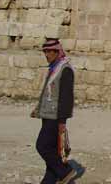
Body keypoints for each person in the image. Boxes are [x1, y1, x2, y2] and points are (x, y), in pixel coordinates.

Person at [31, 39, 77, 184]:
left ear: (57, 52)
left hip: (56, 117)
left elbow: (66, 98)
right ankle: (49, 180)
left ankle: (65, 171)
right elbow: (48, 93)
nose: (46, 54)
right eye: (45, 51)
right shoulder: (54, 68)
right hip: (48, 115)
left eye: (49, 51)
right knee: (51, 149)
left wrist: (62, 121)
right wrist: (38, 109)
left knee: (42, 146)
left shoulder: (65, 69)